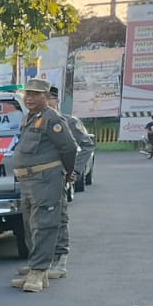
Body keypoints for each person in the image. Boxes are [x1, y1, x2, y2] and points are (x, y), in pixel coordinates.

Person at [10, 77, 80, 293]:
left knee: (45, 225)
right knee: (31, 225)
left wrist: (67, 173)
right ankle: (35, 266)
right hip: (28, 181)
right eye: (27, 94)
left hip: (46, 179)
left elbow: (69, 148)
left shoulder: (52, 118)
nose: (29, 98)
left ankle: (39, 272)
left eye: (35, 94)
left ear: (46, 96)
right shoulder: (30, 118)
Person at [48, 85, 96, 279]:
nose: (46, 103)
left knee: (59, 219)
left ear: (56, 100)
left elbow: (87, 145)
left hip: (60, 177)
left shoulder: (69, 122)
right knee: (40, 222)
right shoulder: (35, 122)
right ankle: (44, 261)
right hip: (40, 180)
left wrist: (74, 171)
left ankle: (60, 261)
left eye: (49, 98)